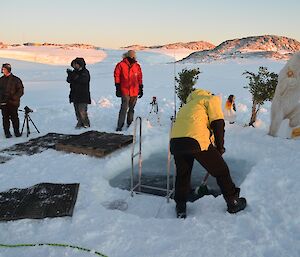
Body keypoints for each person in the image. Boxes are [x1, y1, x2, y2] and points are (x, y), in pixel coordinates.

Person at [170, 89, 246, 218]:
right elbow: (218, 123)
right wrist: (220, 147)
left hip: (176, 142)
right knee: (221, 171)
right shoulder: (211, 99)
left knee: (183, 174)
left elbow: (192, 125)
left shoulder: (188, 105)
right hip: (196, 140)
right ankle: (233, 202)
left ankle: (180, 207)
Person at [114, 50, 143, 131]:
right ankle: (120, 126)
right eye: (131, 55)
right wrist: (117, 87)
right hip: (125, 90)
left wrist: (141, 88)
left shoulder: (137, 66)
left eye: (133, 56)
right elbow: (117, 76)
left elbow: (139, 77)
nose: (132, 57)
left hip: (134, 91)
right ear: (127, 55)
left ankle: (130, 124)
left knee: (131, 108)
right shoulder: (121, 65)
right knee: (124, 108)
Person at [0, 63, 24, 138]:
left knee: (14, 118)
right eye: (2, 69)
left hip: (13, 103)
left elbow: (21, 91)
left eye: (4, 69)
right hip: (3, 103)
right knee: (5, 119)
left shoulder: (16, 80)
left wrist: (13, 98)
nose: (2, 70)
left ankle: (17, 132)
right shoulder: (1, 80)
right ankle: (7, 133)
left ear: (8, 69)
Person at [66, 57, 91, 129]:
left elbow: (83, 80)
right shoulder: (74, 72)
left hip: (83, 95)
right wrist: (70, 75)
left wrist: (74, 76)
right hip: (75, 94)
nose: (74, 66)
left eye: (76, 64)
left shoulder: (85, 72)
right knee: (77, 111)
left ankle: (86, 124)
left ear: (80, 64)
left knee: (82, 111)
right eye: (74, 64)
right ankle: (80, 122)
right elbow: (69, 80)